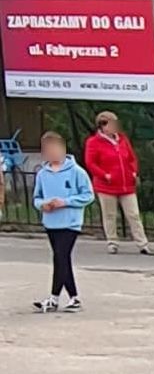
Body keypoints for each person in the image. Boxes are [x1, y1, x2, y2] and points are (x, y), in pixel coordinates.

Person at [31, 132, 95, 313]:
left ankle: (55, 298)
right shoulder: (42, 174)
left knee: (61, 256)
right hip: (51, 222)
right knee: (61, 259)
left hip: (70, 223)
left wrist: (65, 202)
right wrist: (43, 205)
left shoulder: (77, 172)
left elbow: (88, 195)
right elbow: (36, 197)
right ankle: (72, 298)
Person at [83, 110, 152, 255]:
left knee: (133, 214)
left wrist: (133, 172)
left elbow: (132, 158)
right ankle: (112, 242)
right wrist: (105, 175)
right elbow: (91, 163)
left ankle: (142, 244)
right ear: (102, 126)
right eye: (111, 123)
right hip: (107, 185)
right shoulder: (93, 142)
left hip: (126, 184)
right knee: (110, 215)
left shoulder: (122, 139)